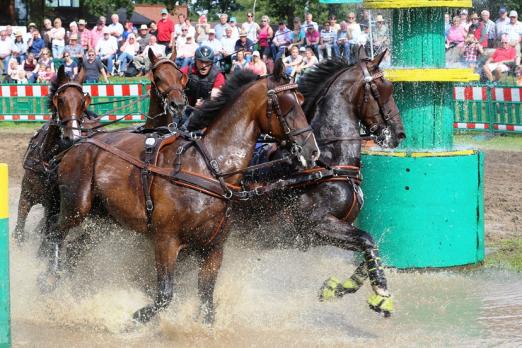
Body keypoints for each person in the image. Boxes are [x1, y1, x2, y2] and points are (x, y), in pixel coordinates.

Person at [179, 45, 226, 128]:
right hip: (186, 108)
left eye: (207, 62)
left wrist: (204, 104)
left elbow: (215, 98)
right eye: (201, 61)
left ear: (212, 62)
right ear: (195, 60)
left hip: (206, 112)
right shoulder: (187, 71)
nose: (204, 65)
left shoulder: (218, 75)